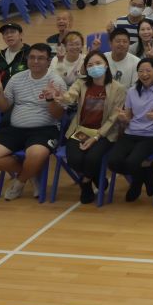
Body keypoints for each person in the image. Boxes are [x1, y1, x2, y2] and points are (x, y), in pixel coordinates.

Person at [0, 43, 67, 202]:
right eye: (32, 57)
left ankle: (19, 182)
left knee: (36, 154)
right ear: (27, 59)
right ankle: (30, 175)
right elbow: (3, 107)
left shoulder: (56, 82)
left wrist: (51, 99)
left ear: (48, 61)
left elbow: (58, 115)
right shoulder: (16, 79)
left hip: (45, 130)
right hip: (14, 129)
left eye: (41, 58)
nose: (35, 61)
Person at [60, 50, 127, 204]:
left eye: (98, 63)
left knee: (92, 158)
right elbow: (70, 97)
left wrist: (97, 137)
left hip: (104, 132)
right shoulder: (81, 83)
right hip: (81, 130)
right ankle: (95, 178)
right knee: (74, 159)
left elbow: (114, 118)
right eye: (90, 65)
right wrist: (59, 96)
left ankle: (85, 184)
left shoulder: (118, 88)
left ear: (106, 65)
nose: (94, 67)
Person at [107, 59, 153, 202]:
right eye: (141, 71)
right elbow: (128, 117)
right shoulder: (132, 91)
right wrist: (123, 118)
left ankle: (136, 184)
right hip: (131, 133)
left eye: (148, 71)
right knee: (113, 161)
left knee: (132, 162)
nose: (144, 74)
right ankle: (146, 172)